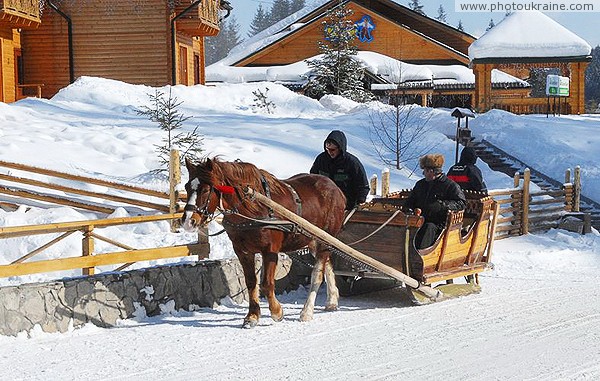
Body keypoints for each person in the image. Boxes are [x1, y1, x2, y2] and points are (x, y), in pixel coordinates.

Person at [404, 153, 466, 249]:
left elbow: (461, 203)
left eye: (425, 171)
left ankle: (421, 254)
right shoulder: (420, 185)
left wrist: (442, 206)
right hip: (418, 220)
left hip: (439, 224)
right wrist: (410, 210)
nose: (424, 174)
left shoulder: (450, 185)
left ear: (431, 171)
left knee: (428, 227)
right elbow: (410, 201)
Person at [310, 130, 370, 210]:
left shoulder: (352, 163)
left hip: (346, 206)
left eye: (333, 150)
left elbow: (363, 186)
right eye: (327, 149)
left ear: (340, 148)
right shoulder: (321, 159)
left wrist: (359, 201)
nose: (330, 152)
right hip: (323, 204)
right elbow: (313, 178)